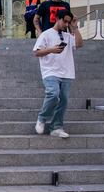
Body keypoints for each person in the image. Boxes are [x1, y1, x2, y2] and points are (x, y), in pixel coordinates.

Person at [33, 9, 83, 138]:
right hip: (50, 71)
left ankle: (56, 127)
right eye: (64, 21)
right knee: (53, 94)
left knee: (64, 101)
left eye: (68, 22)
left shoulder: (68, 36)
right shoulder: (46, 34)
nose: (66, 24)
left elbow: (80, 44)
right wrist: (51, 50)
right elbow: (37, 52)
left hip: (67, 72)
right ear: (57, 19)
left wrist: (75, 27)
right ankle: (42, 118)